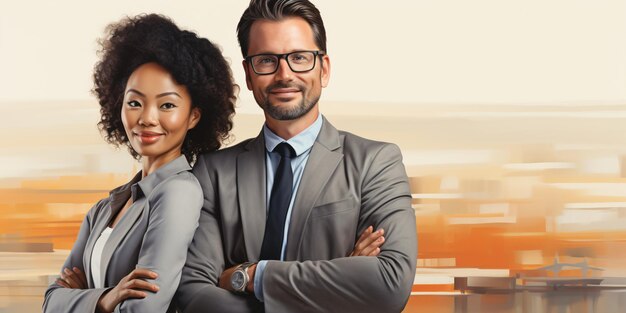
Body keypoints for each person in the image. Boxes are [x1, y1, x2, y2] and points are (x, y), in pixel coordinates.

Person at [175, 0, 417, 312]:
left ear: (324, 69)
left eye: (299, 58)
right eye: (266, 61)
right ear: (249, 75)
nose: (284, 74)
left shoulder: (375, 163)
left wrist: (251, 276)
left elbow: (389, 284)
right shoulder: (213, 172)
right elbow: (193, 292)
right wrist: (340, 279)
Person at [42, 14, 236, 313]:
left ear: (194, 116)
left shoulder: (178, 192)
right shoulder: (105, 209)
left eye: (167, 105)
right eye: (135, 102)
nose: (147, 117)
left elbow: (144, 309)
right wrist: (106, 299)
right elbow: (50, 301)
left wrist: (83, 300)